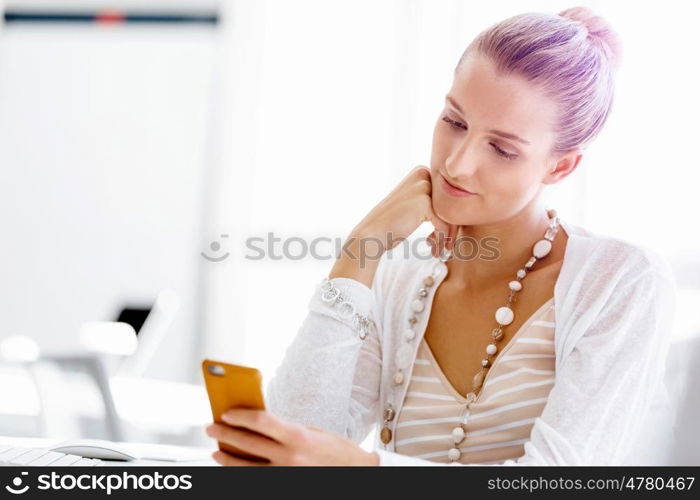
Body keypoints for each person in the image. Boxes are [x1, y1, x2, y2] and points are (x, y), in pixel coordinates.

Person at [205, 6, 677, 466]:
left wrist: (364, 470)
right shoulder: (403, 278)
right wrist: (359, 253)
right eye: (454, 122)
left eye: (501, 148)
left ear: (561, 165)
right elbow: (295, 452)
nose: (457, 163)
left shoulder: (619, 281)